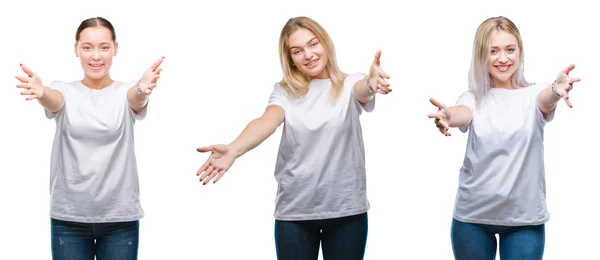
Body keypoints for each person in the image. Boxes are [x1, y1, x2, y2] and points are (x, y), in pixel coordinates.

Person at [196, 16, 391, 260]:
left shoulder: (350, 84)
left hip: (346, 210)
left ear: (325, 44)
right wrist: (234, 149)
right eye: (297, 51)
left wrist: (372, 83)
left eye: (313, 44)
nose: (308, 55)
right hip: (295, 212)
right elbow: (267, 120)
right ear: (290, 59)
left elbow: (364, 89)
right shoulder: (284, 91)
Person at [428, 16, 580, 260]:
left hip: (524, 220)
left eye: (510, 49)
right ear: (481, 54)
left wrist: (555, 90)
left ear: (519, 51)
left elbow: (546, 99)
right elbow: (461, 115)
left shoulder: (534, 94)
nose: (503, 58)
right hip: (473, 219)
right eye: (493, 51)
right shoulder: (472, 98)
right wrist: (447, 115)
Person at [15, 17, 164, 260]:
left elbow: (136, 99)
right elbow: (54, 100)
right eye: (87, 47)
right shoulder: (64, 90)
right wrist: (42, 93)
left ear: (115, 49)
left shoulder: (125, 92)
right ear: (76, 50)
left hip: (120, 218)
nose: (96, 56)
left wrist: (141, 89)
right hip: (69, 218)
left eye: (104, 47)